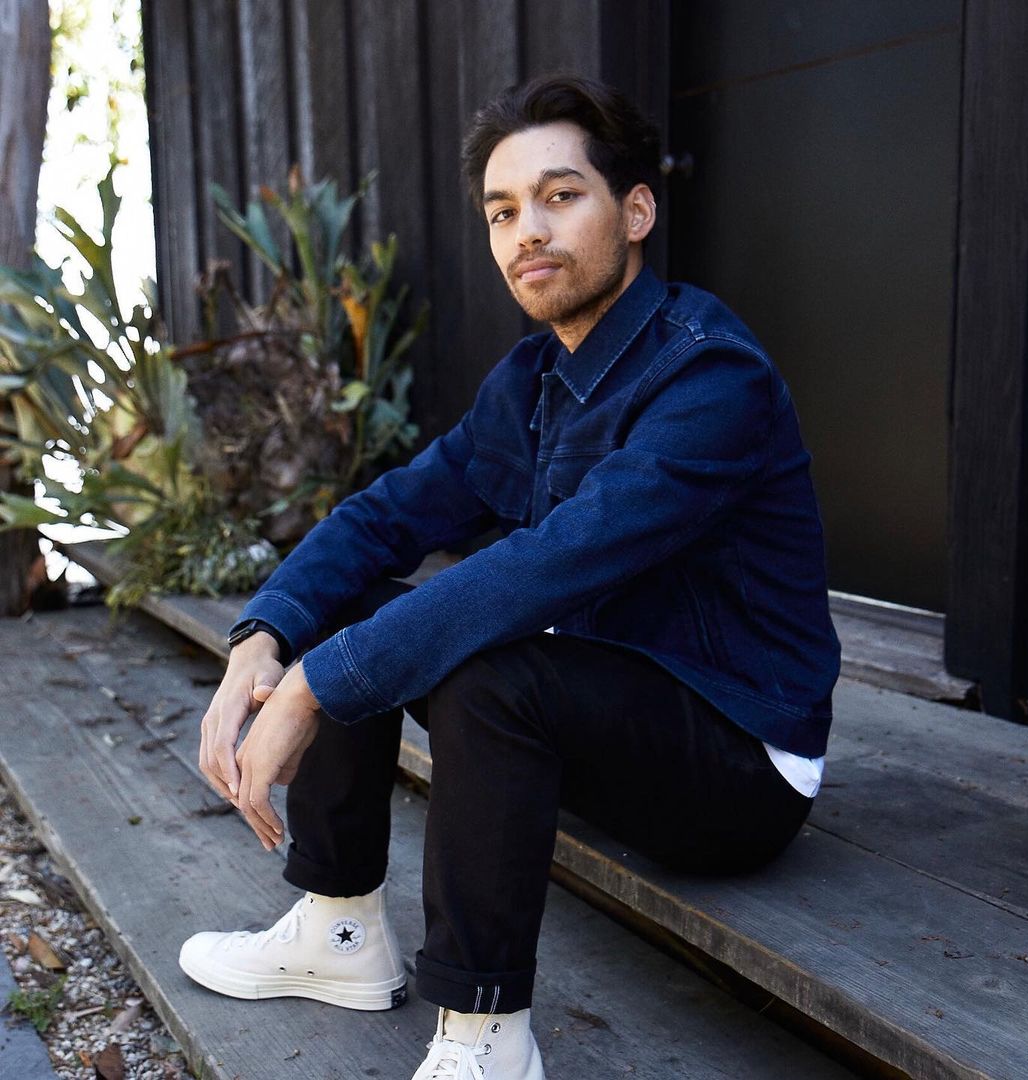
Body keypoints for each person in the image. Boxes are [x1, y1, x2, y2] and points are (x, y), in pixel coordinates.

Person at [178, 74, 841, 1080]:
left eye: (560, 196)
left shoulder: (711, 377)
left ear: (636, 211)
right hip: (606, 712)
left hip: (739, 759)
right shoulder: (532, 381)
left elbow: (549, 565)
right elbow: (388, 515)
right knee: (354, 604)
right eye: (502, 210)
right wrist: (263, 640)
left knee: (487, 672)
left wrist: (317, 685)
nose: (527, 229)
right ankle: (338, 931)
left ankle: (486, 1040)